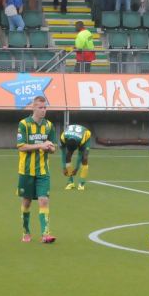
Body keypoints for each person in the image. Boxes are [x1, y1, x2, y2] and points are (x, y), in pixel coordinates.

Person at [17, 96, 57, 243]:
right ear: (33, 108)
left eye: (45, 107)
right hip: (26, 171)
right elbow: (21, 146)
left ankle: (45, 234)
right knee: (27, 202)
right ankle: (26, 231)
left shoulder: (49, 126)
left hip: (43, 171)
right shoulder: (24, 124)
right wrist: (40, 145)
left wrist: (50, 148)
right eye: (40, 107)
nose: (43, 110)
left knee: (44, 200)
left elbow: (53, 147)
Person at [61, 124, 92, 190]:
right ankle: (70, 182)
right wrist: (64, 167)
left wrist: (76, 169)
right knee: (67, 156)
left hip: (85, 135)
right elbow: (63, 153)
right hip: (73, 135)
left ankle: (81, 183)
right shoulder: (63, 137)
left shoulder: (82, 140)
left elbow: (79, 155)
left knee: (84, 158)